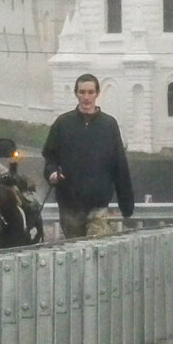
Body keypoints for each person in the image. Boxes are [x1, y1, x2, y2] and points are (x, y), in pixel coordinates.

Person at [42, 73, 134, 239]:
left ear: (97, 94)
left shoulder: (108, 125)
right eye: (82, 92)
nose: (86, 97)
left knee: (95, 250)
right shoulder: (63, 124)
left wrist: (126, 204)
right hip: (70, 204)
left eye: (90, 92)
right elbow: (50, 157)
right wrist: (52, 173)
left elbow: (119, 165)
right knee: (76, 253)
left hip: (98, 205)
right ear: (76, 94)